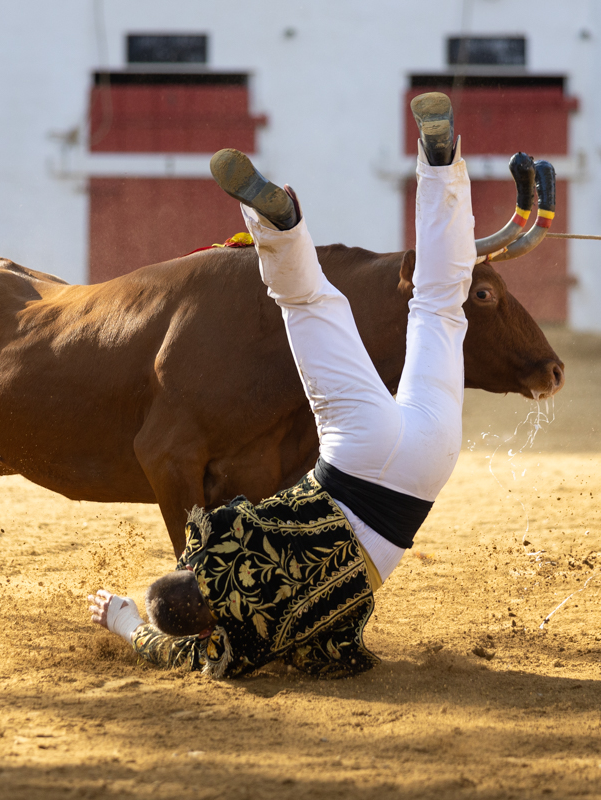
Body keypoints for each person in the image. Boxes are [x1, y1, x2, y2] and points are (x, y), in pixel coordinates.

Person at [88, 92, 474, 678]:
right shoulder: (226, 558)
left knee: (442, 308)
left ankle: (440, 167)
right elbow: (215, 536)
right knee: (309, 301)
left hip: (424, 472)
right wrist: (136, 606)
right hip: (351, 462)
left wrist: (123, 621)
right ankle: (285, 226)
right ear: (200, 572)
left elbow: (171, 651)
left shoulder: (240, 647)